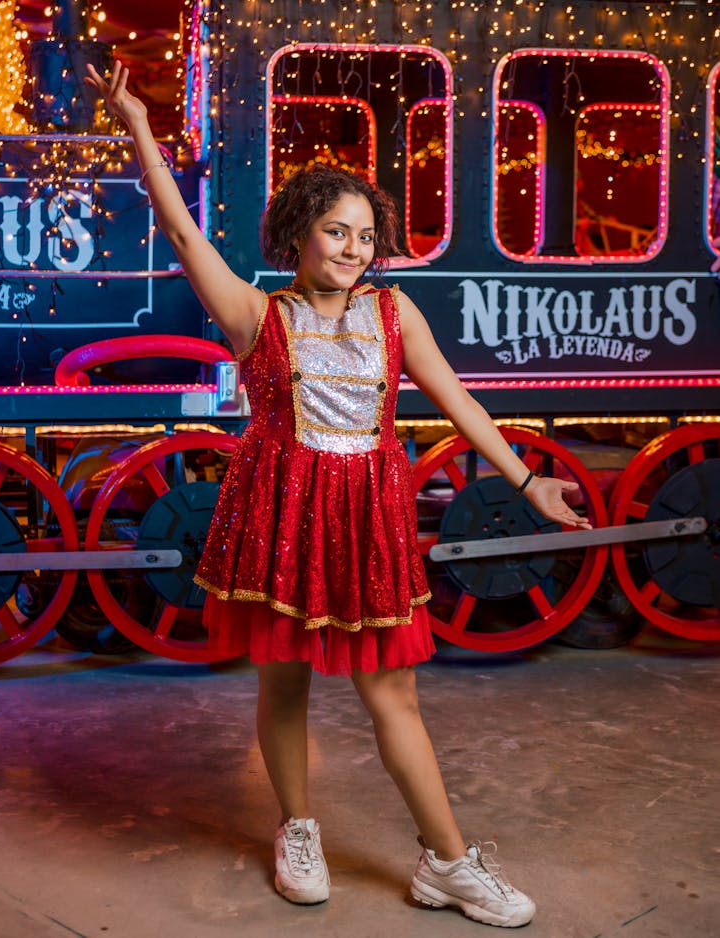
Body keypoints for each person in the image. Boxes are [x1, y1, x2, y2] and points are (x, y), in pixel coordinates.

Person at [86, 61, 592, 929]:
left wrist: (525, 476)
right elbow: (178, 229)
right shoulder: (257, 317)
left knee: (394, 694)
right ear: (298, 237)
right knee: (282, 685)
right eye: (335, 231)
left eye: (364, 234)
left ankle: (448, 862)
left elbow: (458, 401)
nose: (353, 248)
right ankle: (298, 829)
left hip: (367, 518)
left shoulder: (397, 314)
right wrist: (137, 125)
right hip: (282, 512)